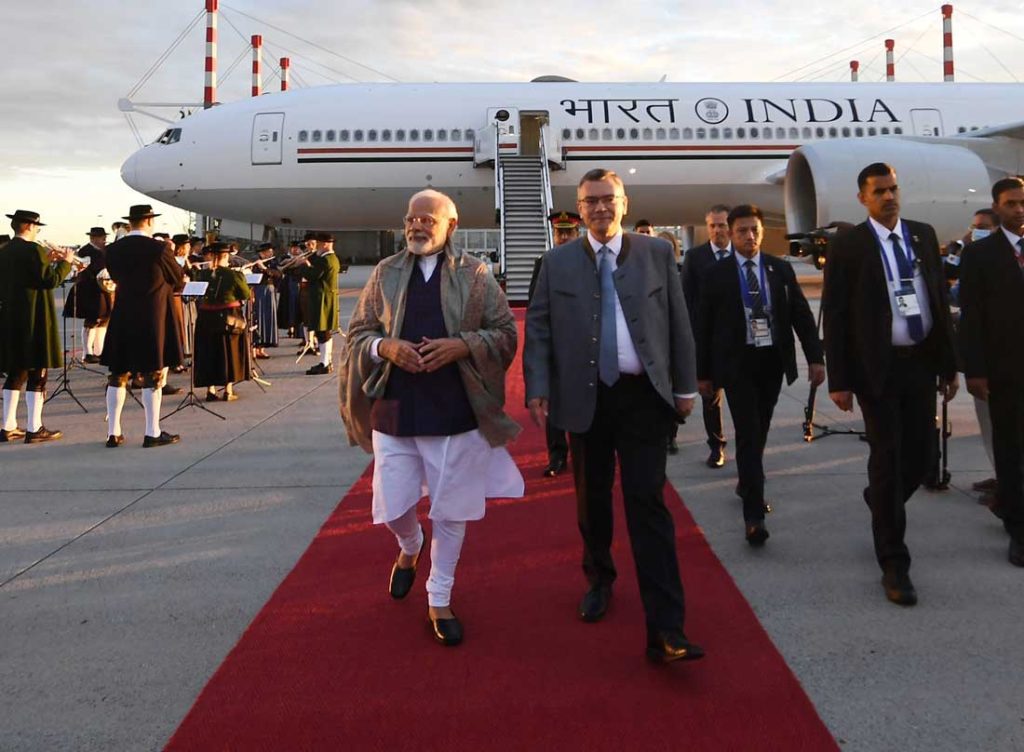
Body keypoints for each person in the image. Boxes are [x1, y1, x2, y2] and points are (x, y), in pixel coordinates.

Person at [524, 168, 704, 663]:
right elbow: (538, 328)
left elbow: (678, 325)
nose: (601, 208)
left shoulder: (658, 254)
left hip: (643, 397)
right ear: (579, 209)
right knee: (592, 502)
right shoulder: (556, 262)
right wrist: (537, 387)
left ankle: (667, 628)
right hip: (585, 401)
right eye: (590, 201)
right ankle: (599, 577)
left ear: (625, 203)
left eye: (609, 199)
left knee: (648, 503)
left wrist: (685, 387)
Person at [339, 188, 523, 647]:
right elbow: (360, 332)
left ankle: (439, 596)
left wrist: (463, 345)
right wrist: (386, 347)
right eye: (411, 219)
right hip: (395, 406)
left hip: (455, 409)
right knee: (394, 506)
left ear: (451, 226)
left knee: (452, 508)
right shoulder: (386, 272)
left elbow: (504, 335)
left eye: (427, 219)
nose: (417, 226)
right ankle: (410, 546)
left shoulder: (476, 274)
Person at [822, 163, 958, 606]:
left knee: (921, 459)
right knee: (887, 454)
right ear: (862, 198)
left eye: (894, 189)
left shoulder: (921, 235)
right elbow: (836, 316)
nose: (889, 197)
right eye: (879, 191)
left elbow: (935, 297)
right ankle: (895, 563)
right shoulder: (849, 246)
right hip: (876, 370)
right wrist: (839, 380)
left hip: (920, 364)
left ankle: (881, 501)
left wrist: (949, 365)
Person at [696, 205, 824, 545]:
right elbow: (703, 327)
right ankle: (753, 515)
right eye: (742, 231)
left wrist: (815, 358)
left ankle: (747, 480)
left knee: (760, 429)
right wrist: (703, 373)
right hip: (736, 365)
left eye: (754, 230)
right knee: (750, 433)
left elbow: (800, 315)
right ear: (732, 234)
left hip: (771, 362)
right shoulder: (716, 274)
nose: (749, 236)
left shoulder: (779, 269)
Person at [958, 176, 1024, 567]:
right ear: (997, 208)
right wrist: (975, 370)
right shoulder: (980, 256)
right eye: (1011, 203)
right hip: (1004, 371)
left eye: (1023, 202)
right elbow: (972, 317)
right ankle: (1017, 528)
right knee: (1011, 450)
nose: (1019, 209)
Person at [101, 205, 185, 448]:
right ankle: (152, 431)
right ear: (149, 221)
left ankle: (113, 432)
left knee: (118, 373)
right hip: (153, 316)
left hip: (124, 314)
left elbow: (115, 277)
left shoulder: (113, 249)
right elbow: (177, 278)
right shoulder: (159, 248)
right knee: (153, 374)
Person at [0, 210, 72, 443]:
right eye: (37, 227)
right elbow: (48, 281)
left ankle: (8, 425)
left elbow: (28, 274)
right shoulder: (34, 249)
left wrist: (47, 261)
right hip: (35, 318)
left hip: (11, 317)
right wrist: (65, 264)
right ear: (30, 227)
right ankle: (35, 426)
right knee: (37, 372)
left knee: (15, 372)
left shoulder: (6, 251)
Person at [526, 210, 580, 477]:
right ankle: (557, 455)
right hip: (557, 346)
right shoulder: (545, 262)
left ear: (577, 233)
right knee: (556, 405)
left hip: (584, 346)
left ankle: (585, 454)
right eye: (560, 232)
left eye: (569, 232)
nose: (564, 237)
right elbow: (536, 307)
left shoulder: (591, 261)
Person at [681, 204, 733, 468]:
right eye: (712, 225)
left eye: (722, 224)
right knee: (710, 401)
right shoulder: (695, 257)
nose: (717, 230)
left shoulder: (743, 256)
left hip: (739, 347)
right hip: (708, 345)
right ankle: (716, 447)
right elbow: (686, 301)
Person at [194, 242, 252, 402]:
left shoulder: (202, 274)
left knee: (209, 351)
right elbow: (245, 294)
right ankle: (228, 389)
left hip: (206, 316)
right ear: (226, 256)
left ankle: (210, 390)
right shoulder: (234, 275)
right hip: (228, 316)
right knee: (229, 352)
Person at [64, 227, 113, 364]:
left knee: (104, 320)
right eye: (100, 237)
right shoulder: (85, 251)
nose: (104, 240)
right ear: (93, 238)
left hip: (104, 289)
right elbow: (85, 269)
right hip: (89, 289)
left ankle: (99, 351)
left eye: (104, 237)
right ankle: (87, 353)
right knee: (92, 320)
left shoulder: (106, 250)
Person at [299, 232, 340, 375]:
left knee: (322, 332)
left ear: (324, 244)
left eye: (319, 245)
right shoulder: (332, 258)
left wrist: (303, 265)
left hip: (321, 299)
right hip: (327, 298)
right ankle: (326, 361)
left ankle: (325, 363)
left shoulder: (326, 260)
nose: (317, 248)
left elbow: (312, 275)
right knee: (324, 331)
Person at [251, 242, 280, 359]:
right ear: (262, 253)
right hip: (257, 291)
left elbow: (278, 274)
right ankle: (253, 348)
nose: (271, 253)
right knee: (257, 318)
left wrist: (264, 268)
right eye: (269, 252)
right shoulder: (254, 262)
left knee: (267, 318)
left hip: (269, 291)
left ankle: (261, 348)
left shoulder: (273, 263)